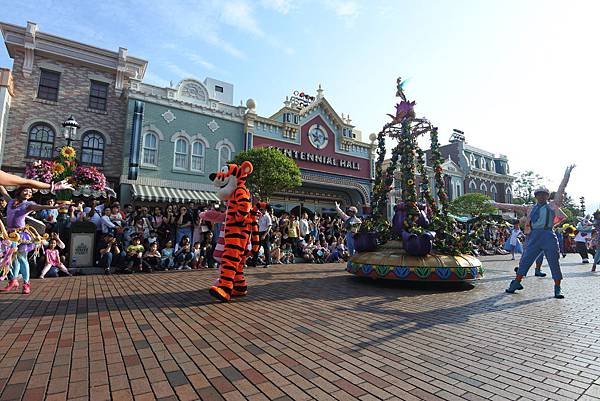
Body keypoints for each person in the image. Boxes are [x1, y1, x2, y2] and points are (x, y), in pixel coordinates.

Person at [0, 186, 63, 294]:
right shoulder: (10, 201)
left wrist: (53, 207)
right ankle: (13, 281)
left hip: (21, 235)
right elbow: (3, 190)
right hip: (10, 235)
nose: (28, 193)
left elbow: (39, 206)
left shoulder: (28, 204)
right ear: (19, 191)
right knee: (13, 259)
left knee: (22, 258)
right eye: (26, 190)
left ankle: (26, 283)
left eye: (30, 192)